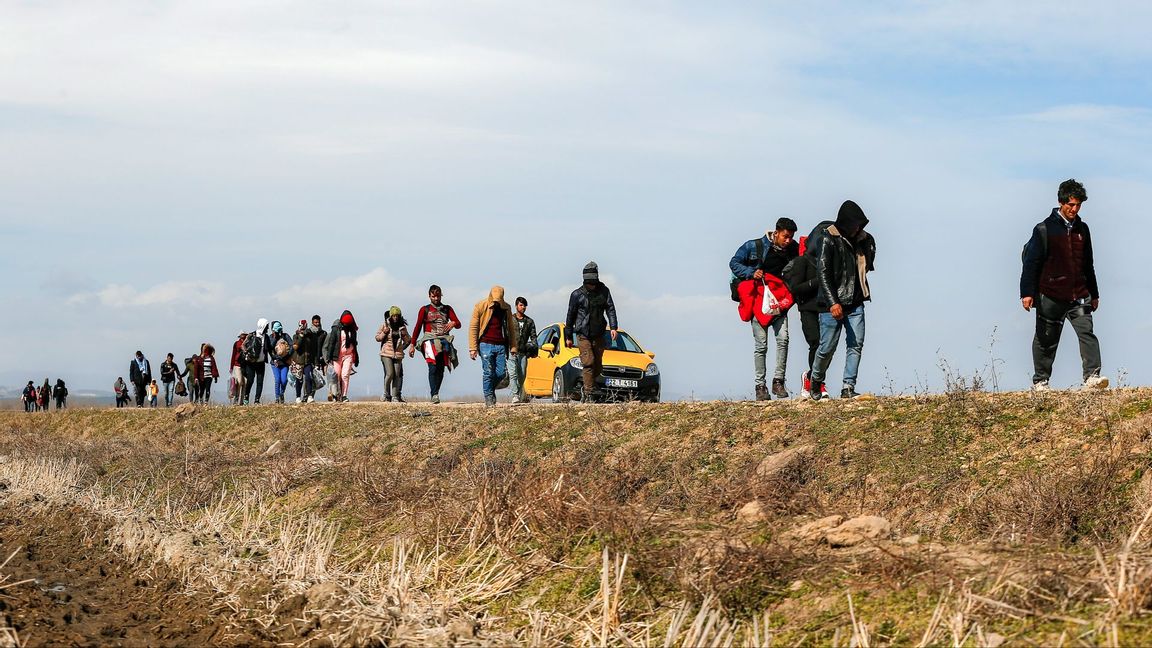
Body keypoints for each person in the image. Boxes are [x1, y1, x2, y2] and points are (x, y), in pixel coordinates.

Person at [1020, 179, 1106, 391]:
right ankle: (1041, 381)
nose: (1074, 209)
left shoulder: (1083, 229)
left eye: (1078, 205)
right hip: (1050, 294)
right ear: (1061, 202)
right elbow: (1031, 263)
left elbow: (1088, 264)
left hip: (1078, 294)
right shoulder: (1044, 229)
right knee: (1046, 340)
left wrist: (1094, 294)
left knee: (1087, 333)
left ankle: (1092, 377)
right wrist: (1027, 293)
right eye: (1071, 204)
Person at [806, 200, 876, 401]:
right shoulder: (827, 238)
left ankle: (848, 386)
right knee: (827, 347)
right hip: (832, 304)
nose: (857, 228)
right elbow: (823, 273)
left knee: (856, 344)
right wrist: (832, 302)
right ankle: (816, 380)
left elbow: (867, 265)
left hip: (855, 302)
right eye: (854, 224)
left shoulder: (863, 239)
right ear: (845, 223)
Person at [730, 218, 800, 400]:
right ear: (776, 233)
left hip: (780, 303)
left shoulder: (793, 248)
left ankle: (778, 382)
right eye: (785, 236)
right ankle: (760, 387)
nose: (788, 241)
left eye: (791, 237)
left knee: (783, 340)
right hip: (758, 302)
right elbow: (734, 262)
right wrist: (750, 273)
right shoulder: (754, 246)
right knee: (761, 345)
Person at [565, 262, 619, 402]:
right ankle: (589, 393)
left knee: (598, 365)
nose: (590, 285)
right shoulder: (577, 295)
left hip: (599, 333)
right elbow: (570, 315)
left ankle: (588, 385)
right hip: (583, 334)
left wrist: (613, 327)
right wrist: (568, 336)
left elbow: (610, 309)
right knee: (588, 362)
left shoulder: (604, 291)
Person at [783, 236, 827, 400]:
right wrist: (818, 281)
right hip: (807, 308)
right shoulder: (802, 262)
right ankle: (816, 382)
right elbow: (795, 288)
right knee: (815, 343)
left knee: (825, 347)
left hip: (825, 309)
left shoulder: (825, 261)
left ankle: (812, 378)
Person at [408, 285, 462, 404]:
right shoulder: (424, 309)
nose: (436, 299)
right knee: (432, 366)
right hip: (428, 340)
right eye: (433, 296)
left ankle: (436, 391)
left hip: (444, 340)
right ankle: (434, 394)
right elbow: (417, 327)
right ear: (429, 296)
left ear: (441, 295)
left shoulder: (447, 309)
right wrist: (412, 344)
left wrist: (453, 323)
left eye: (437, 296)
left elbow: (458, 324)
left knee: (441, 368)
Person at [469, 286, 518, 407]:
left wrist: (513, 346)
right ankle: (489, 398)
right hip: (485, 344)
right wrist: (473, 348)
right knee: (488, 372)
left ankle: (490, 389)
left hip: (501, 345)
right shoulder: (480, 306)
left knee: (501, 373)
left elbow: (511, 329)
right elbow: (473, 327)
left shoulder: (506, 308)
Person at [375, 307, 411, 402]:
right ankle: (386, 394)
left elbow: (408, 341)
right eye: (394, 316)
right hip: (386, 353)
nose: (395, 317)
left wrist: (404, 336)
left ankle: (395, 396)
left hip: (398, 354)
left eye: (397, 316)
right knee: (390, 374)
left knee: (397, 375)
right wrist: (384, 333)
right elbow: (377, 338)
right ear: (391, 316)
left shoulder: (402, 327)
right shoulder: (385, 325)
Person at [325, 310, 360, 402]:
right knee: (336, 376)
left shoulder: (353, 330)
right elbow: (332, 342)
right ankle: (335, 394)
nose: (346, 325)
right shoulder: (336, 328)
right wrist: (328, 357)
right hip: (337, 356)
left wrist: (356, 358)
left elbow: (355, 344)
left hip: (348, 355)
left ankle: (344, 395)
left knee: (345, 375)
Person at [508, 297, 538, 404]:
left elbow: (534, 337)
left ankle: (520, 395)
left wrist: (534, 350)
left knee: (522, 375)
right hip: (511, 351)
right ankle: (515, 395)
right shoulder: (510, 319)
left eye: (524, 305)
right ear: (516, 306)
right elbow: (505, 334)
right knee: (513, 374)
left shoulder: (529, 321)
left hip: (523, 352)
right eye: (521, 305)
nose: (523, 307)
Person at [241, 318, 270, 405]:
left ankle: (257, 400)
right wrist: (246, 352)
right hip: (251, 362)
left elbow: (269, 349)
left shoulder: (266, 337)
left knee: (260, 382)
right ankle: (246, 397)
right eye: (266, 327)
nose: (267, 329)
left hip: (261, 363)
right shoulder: (251, 335)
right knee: (250, 380)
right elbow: (243, 345)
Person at [267, 321, 294, 404]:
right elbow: (270, 348)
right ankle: (277, 397)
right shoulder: (271, 337)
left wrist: (287, 356)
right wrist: (275, 338)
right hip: (275, 363)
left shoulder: (285, 336)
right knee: (277, 380)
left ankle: (282, 393)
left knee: (284, 380)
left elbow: (292, 345)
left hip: (285, 363)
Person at [291, 320, 316, 403]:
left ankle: (309, 396)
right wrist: (301, 336)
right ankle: (298, 396)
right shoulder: (296, 336)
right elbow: (295, 347)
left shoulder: (309, 336)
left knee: (309, 377)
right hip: (298, 361)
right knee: (299, 379)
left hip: (308, 361)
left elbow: (313, 347)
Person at [229, 331, 247, 404]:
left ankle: (242, 401)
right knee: (239, 382)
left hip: (246, 365)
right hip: (237, 365)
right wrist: (231, 366)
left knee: (245, 382)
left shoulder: (248, 343)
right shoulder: (237, 343)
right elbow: (233, 355)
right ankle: (236, 399)